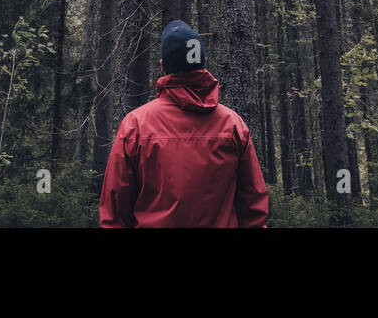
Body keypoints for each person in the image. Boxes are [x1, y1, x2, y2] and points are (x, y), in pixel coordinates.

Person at [99, 20, 269, 227]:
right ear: (203, 62)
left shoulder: (136, 125)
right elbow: (254, 208)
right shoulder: (233, 125)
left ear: (163, 66)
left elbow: (115, 211)